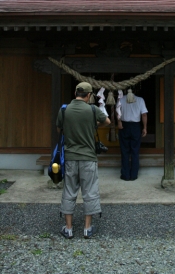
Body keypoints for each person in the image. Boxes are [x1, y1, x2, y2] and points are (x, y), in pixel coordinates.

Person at [56, 81, 110, 239]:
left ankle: (68, 228)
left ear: (75, 93)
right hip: (88, 158)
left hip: (70, 157)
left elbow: (59, 128)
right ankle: (87, 228)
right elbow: (107, 121)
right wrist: (93, 125)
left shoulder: (64, 109)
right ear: (89, 95)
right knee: (90, 191)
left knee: (69, 190)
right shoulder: (92, 110)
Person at [117, 89, 148, 181]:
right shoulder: (140, 100)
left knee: (124, 151)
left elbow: (117, 112)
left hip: (124, 125)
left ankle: (125, 175)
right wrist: (145, 127)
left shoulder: (121, 99)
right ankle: (134, 175)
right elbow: (144, 114)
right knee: (135, 151)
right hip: (135, 126)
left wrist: (119, 122)